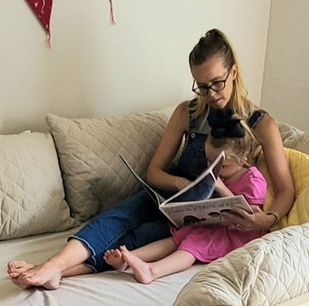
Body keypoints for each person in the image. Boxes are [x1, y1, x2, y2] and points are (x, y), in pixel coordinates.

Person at [7, 28, 295, 289]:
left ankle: (60, 273)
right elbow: (154, 171)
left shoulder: (261, 124)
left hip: (198, 221)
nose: (210, 94)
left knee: (135, 242)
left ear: (233, 72)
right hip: (166, 198)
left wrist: (266, 219)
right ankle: (53, 264)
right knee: (118, 217)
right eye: (201, 86)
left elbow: (285, 190)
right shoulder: (188, 113)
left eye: (217, 83)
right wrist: (182, 185)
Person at [103, 110, 269, 283]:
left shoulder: (253, 179)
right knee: (179, 235)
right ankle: (127, 259)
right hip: (214, 226)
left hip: (238, 235)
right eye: (210, 162)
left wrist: (221, 188)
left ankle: (152, 271)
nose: (215, 168)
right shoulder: (217, 174)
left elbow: (249, 215)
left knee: (196, 242)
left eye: (223, 165)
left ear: (243, 160)